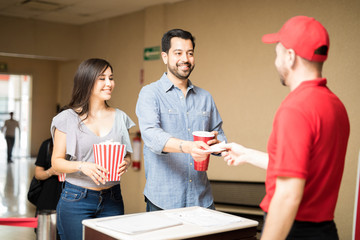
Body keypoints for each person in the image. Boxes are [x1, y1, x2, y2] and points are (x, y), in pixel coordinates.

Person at [222, 16, 350, 240]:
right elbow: (302, 168)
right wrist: (247, 154)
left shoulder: (296, 109)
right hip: (325, 231)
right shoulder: (335, 106)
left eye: (277, 53)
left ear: (290, 57)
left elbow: (288, 195)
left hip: (294, 231)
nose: (276, 61)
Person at [136, 29, 226, 212]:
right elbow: (152, 136)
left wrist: (218, 145)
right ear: (164, 57)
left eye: (190, 53)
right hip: (163, 201)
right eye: (178, 53)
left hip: (202, 200)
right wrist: (189, 147)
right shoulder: (150, 93)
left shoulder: (205, 97)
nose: (185, 58)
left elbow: (220, 136)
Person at [51, 58, 135, 240]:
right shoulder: (67, 118)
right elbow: (56, 163)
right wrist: (83, 166)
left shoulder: (120, 117)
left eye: (111, 78)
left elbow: (127, 154)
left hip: (113, 198)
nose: (109, 83)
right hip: (76, 199)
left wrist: (125, 163)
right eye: (102, 78)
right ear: (87, 81)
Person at [34, 137, 62, 239]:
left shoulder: (78, 144)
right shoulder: (47, 144)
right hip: (49, 197)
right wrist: (51, 171)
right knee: (47, 233)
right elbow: (38, 174)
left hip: (70, 196)